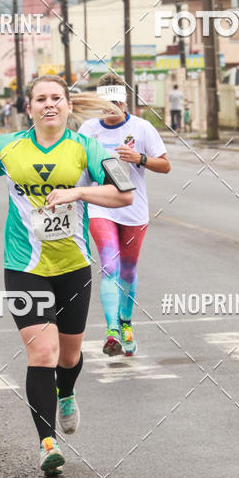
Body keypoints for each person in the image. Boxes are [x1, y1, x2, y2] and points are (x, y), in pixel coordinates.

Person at [0, 75, 133, 475]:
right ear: (29, 107)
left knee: (68, 356)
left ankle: (66, 391)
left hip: (73, 265)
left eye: (56, 98)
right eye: (40, 99)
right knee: (43, 353)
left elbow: (124, 194)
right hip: (24, 267)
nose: (49, 104)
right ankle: (46, 444)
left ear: (67, 106)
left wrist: (79, 192)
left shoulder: (87, 148)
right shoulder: (8, 147)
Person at [79, 73, 170, 356]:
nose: (112, 107)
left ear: (125, 100)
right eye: (106, 102)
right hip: (100, 206)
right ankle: (112, 332)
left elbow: (165, 165)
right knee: (110, 267)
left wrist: (139, 158)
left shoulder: (142, 128)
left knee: (128, 270)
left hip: (134, 210)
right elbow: (77, 166)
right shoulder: (88, 129)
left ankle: (125, 322)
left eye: (117, 102)